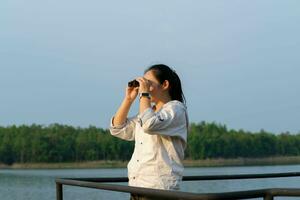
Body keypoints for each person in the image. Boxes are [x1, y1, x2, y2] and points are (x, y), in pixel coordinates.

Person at [109, 64, 189, 200]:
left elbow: (149, 124)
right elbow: (118, 128)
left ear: (165, 84)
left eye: (148, 83)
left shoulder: (176, 110)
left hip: (159, 190)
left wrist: (144, 94)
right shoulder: (148, 112)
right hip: (137, 187)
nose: (143, 87)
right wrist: (128, 99)